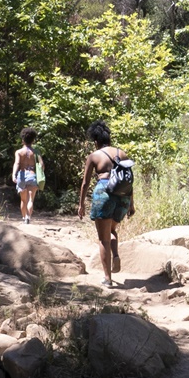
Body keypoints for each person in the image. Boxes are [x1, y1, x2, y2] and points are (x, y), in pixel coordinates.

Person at [78, 120, 133, 287]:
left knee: (103, 239)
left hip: (104, 192)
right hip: (123, 195)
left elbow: (85, 182)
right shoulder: (122, 153)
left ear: (96, 141)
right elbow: (130, 180)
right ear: (109, 138)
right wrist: (131, 204)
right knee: (112, 229)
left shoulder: (94, 156)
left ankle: (108, 279)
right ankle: (115, 255)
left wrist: (81, 204)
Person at [11, 127, 42, 224]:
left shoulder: (19, 152)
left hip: (22, 175)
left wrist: (13, 174)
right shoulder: (36, 152)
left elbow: (17, 163)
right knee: (30, 200)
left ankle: (24, 218)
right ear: (33, 140)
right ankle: (28, 217)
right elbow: (42, 165)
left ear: (22, 139)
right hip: (32, 175)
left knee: (23, 200)